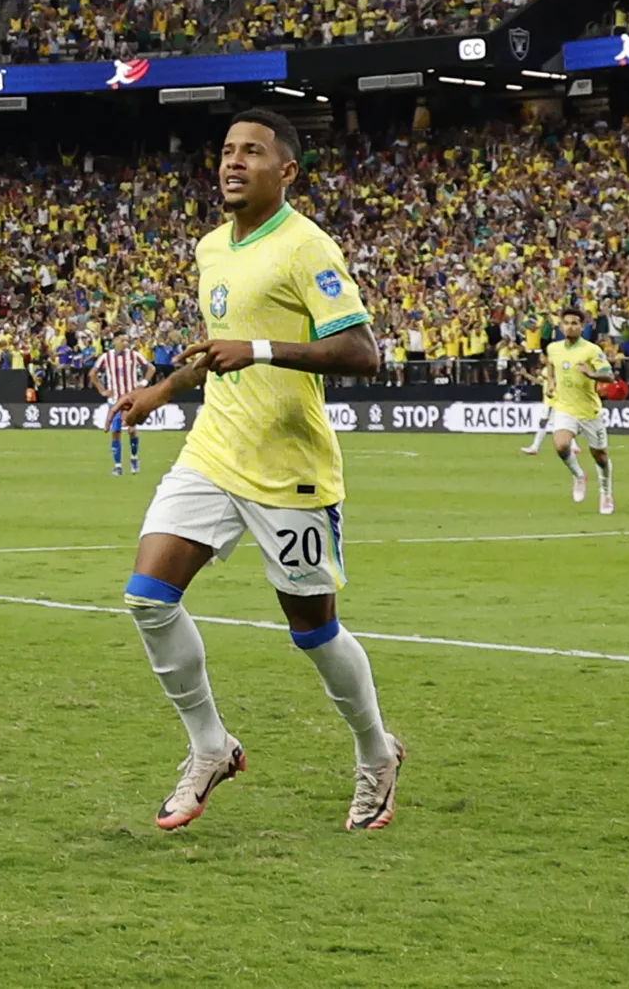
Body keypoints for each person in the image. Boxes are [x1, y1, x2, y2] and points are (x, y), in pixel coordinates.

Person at [107, 109, 401, 833]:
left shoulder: (307, 248)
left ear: (287, 171)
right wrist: (161, 391)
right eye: (227, 151)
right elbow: (219, 345)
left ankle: (376, 752)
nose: (233, 163)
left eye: (252, 153)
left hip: (289, 471)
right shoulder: (213, 247)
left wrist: (265, 349)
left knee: (313, 631)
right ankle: (210, 747)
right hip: (213, 451)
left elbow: (365, 353)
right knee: (149, 597)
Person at [541, 308, 618, 515]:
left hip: (589, 412)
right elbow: (550, 364)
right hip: (565, 408)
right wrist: (550, 382)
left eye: (575, 323)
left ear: (582, 327)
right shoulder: (554, 348)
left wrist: (591, 373)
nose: (571, 326)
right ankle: (578, 475)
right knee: (561, 445)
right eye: (567, 323)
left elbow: (609, 376)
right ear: (561, 326)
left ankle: (606, 492)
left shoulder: (591, 350)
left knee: (600, 456)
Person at [95, 339, 150, 476]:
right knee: (116, 432)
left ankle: (134, 458)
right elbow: (92, 374)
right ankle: (118, 466)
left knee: (131, 430)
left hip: (131, 400)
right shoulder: (106, 357)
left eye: (126, 340)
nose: (125, 342)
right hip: (115, 400)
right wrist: (102, 390)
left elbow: (151, 368)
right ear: (115, 342)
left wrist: (143, 383)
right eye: (122, 340)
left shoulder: (134, 355)